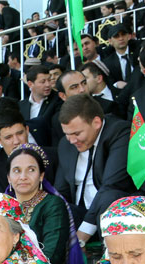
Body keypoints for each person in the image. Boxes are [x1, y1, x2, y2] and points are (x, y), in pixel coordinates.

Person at [54, 95, 135, 248]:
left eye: (77, 134)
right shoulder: (66, 144)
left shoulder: (119, 132)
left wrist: (82, 235)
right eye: (67, 134)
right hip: (80, 213)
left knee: (110, 197)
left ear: (96, 122)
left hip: (111, 212)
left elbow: (111, 186)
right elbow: (60, 192)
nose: (71, 140)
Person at [5, 144, 85, 264]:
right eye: (16, 171)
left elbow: (51, 255)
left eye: (31, 170)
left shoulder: (53, 205)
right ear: (9, 177)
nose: (23, 176)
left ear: (41, 175)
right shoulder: (2, 207)